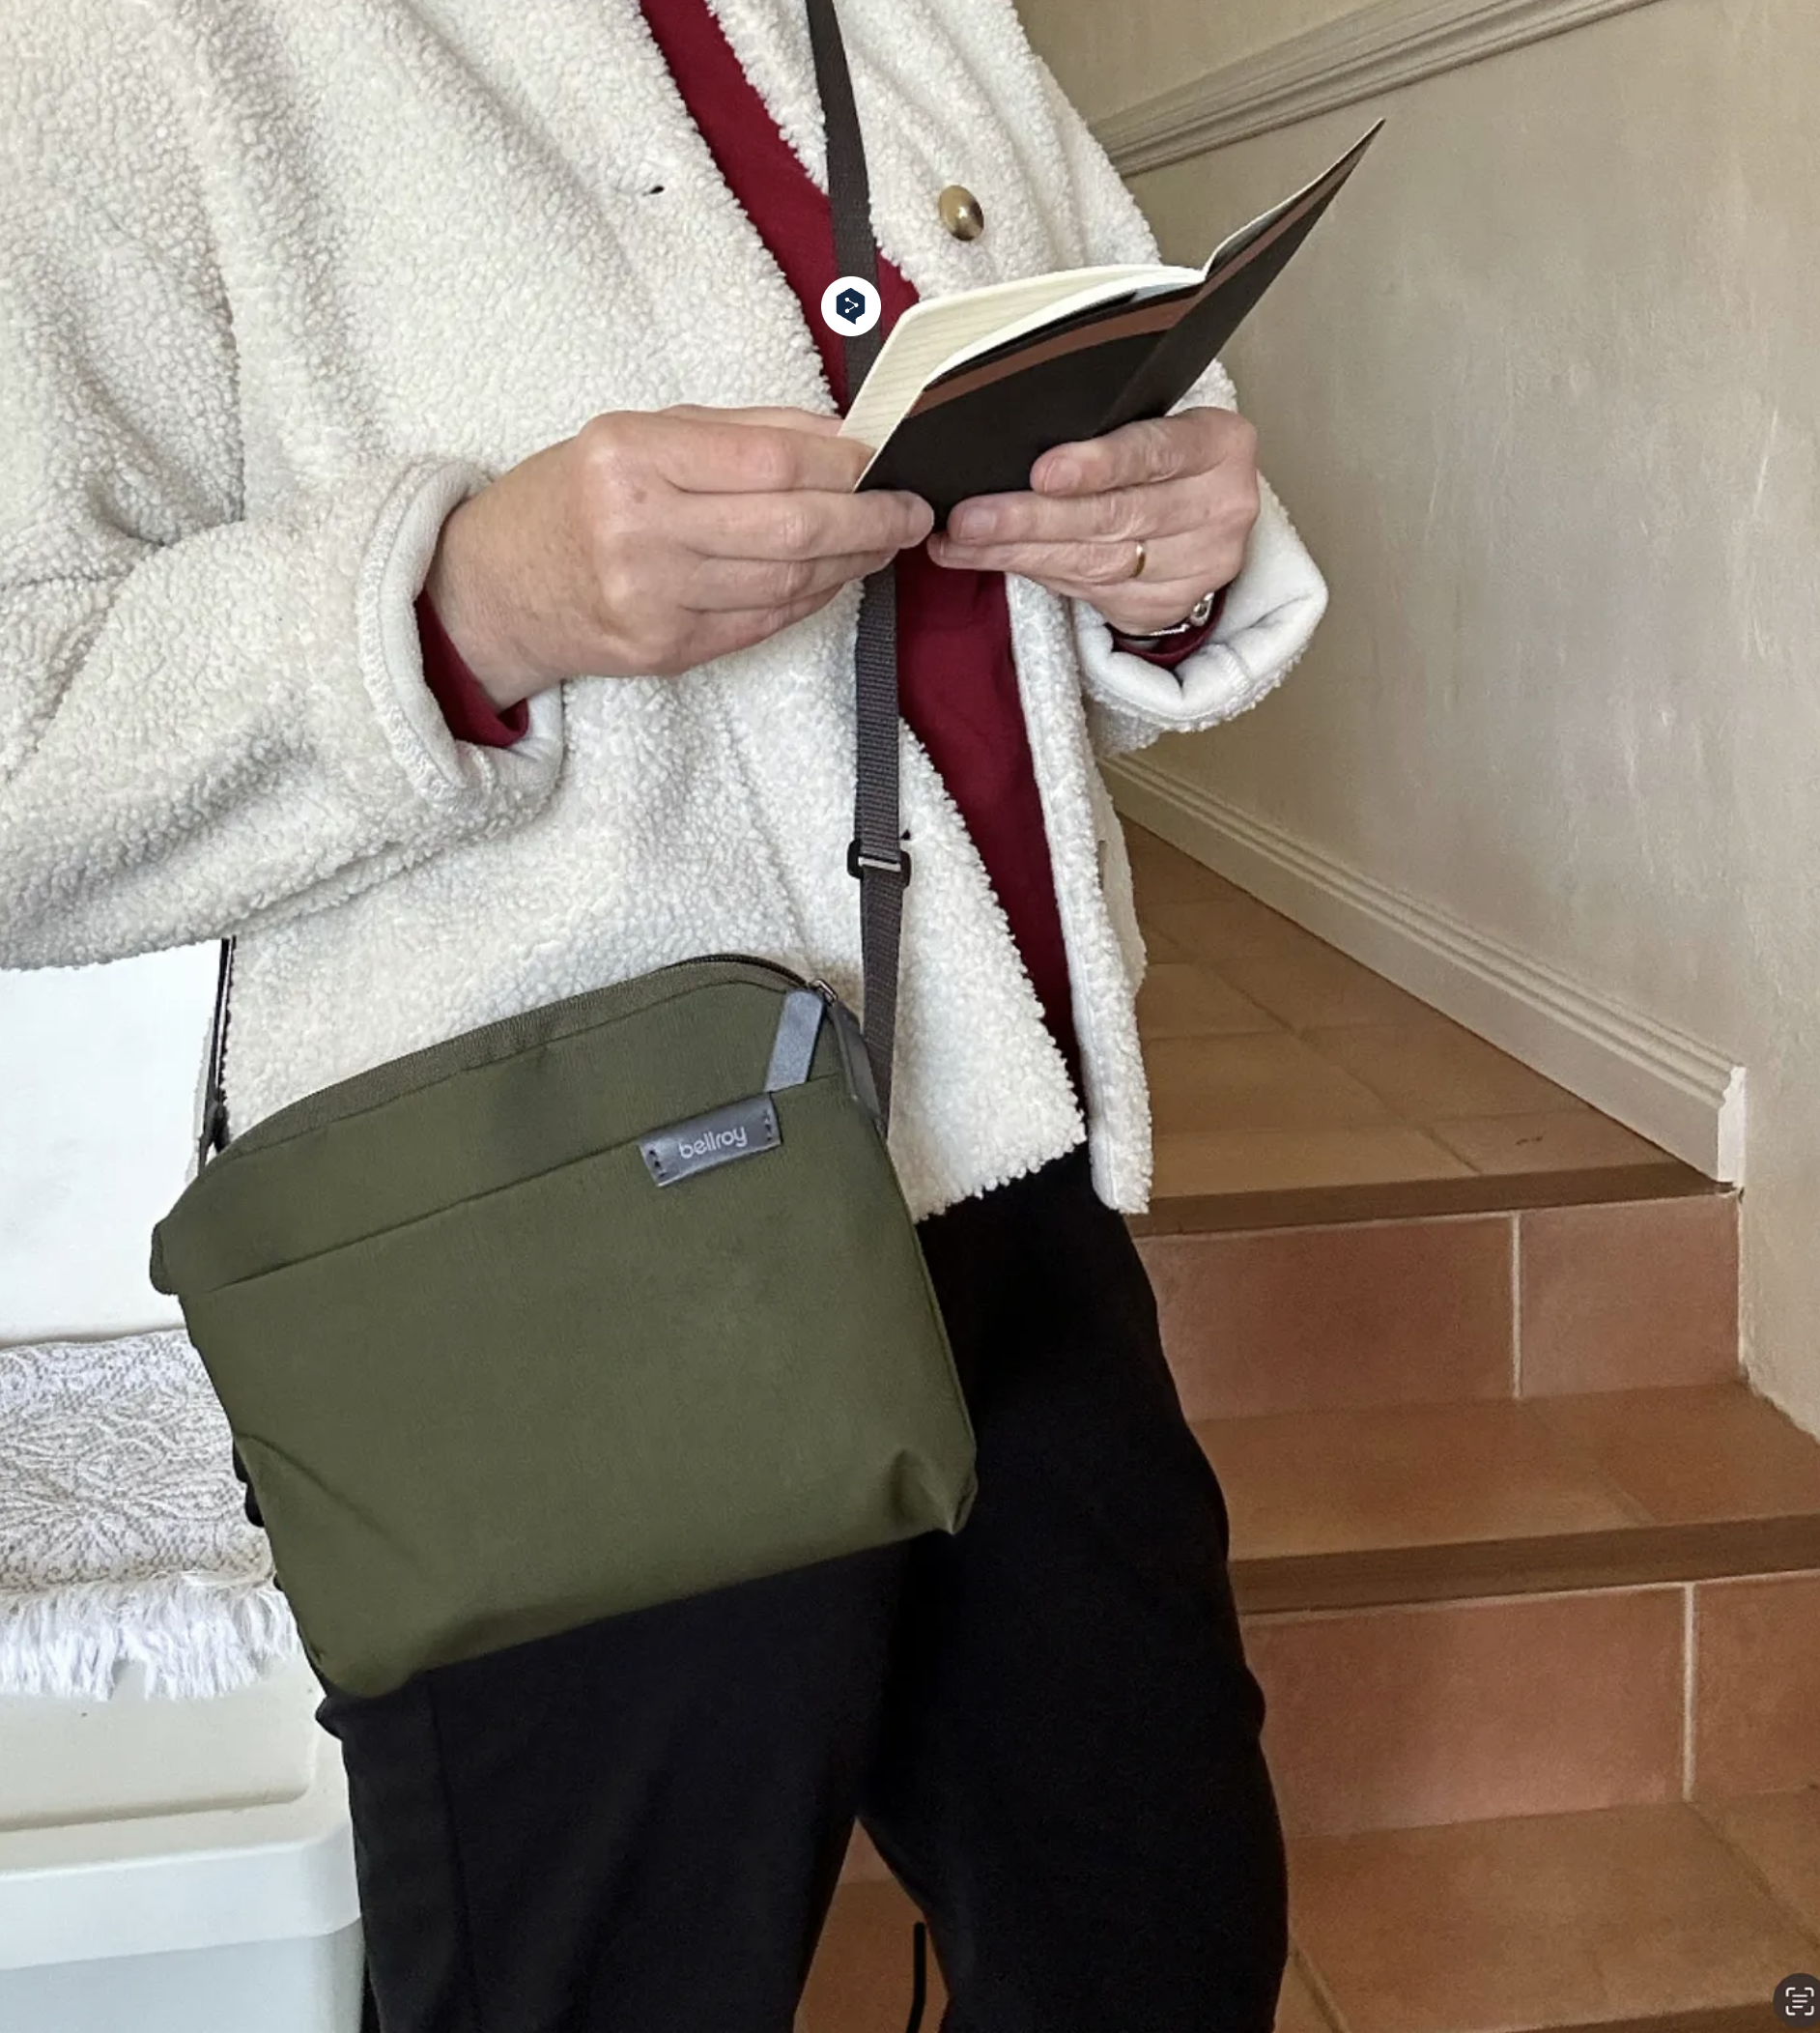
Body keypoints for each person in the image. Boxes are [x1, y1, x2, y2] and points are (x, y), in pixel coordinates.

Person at [0, 0, 1329, 2026]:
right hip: (541, 1239)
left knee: (1159, 1932)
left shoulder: (922, 18)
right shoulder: (135, 43)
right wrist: (461, 601)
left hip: (988, 1154)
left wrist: (1172, 551)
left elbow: (1135, 436)